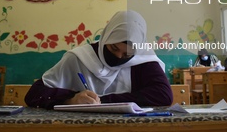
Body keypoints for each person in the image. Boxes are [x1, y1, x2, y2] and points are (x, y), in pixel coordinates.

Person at [25, 10, 173, 109]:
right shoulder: (78, 58)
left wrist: (102, 101)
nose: (118, 57)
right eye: (114, 48)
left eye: (126, 55)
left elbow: (163, 95)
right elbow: (34, 94)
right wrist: (70, 99)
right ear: (105, 38)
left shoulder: (143, 60)